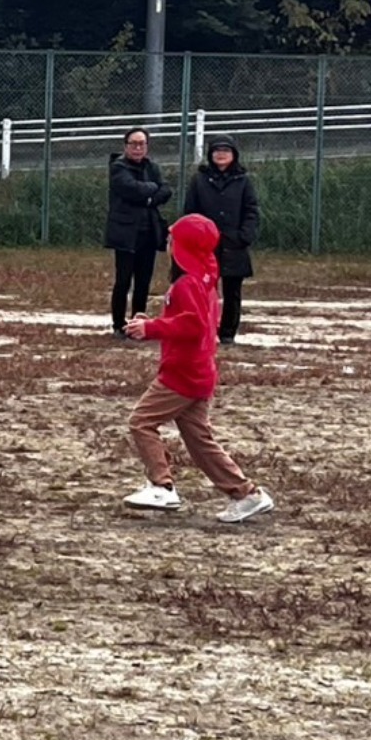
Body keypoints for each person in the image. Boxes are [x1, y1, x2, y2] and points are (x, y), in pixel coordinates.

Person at [122, 214, 274, 522]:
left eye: (172, 238)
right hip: (200, 371)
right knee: (200, 441)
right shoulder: (205, 279)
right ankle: (246, 494)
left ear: (182, 247)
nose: (167, 242)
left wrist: (151, 328)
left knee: (141, 422)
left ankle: (161, 486)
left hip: (182, 374)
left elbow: (192, 325)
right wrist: (154, 324)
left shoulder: (186, 284)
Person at [179, 134, 259, 344]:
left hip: (234, 244)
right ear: (210, 154)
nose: (221, 154)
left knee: (233, 292)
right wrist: (195, 239)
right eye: (217, 150)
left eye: (226, 150)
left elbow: (251, 211)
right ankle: (204, 329)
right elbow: (190, 212)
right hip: (205, 247)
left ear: (234, 155)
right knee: (204, 291)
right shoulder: (199, 180)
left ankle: (227, 334)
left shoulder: (243, 181)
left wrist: (244, 236)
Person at [105, 129, 172, 338]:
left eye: (142, 144)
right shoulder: (118, 167)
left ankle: (138, 322)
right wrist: (152, 190)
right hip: (125, 233)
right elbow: (130, 189)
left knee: (143, 282)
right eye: (133, 144)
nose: (137, 148)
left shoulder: (152, 167)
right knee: (123, 281)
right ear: (125, 146)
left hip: (148, 233)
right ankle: (118, 324)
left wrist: (150, 196)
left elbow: (166, 190)